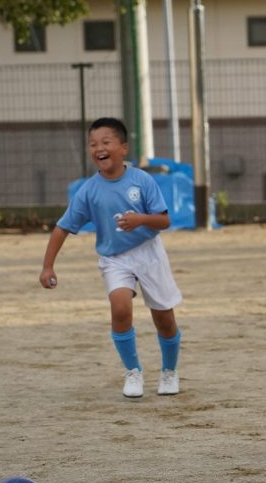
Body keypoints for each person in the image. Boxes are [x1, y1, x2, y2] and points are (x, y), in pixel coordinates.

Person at [39, 117, 184, 398]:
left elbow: (164, 221)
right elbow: (63, 227)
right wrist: (48, 266)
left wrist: (141, 219)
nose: (98, 148)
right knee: (119, 308)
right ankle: (133, 371)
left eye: (106, 142)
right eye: (93, 144)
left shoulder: (142, 180)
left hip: (149, 254)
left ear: (124, 148)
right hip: (114, 258)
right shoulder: (89, 190)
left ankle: (169, 371)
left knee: (164, 319)